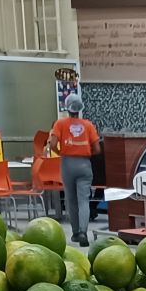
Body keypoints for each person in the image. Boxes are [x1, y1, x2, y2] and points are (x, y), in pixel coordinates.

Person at [49, 96, 102, 242]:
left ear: (67, 107)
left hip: (67, 163)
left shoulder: (60, 124)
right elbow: (97, 148)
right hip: (85, 164)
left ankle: (75, 233)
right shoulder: (88, 125)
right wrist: (86, 153)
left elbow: (52, 144)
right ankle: (84, 232)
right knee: (84, 200)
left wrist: (61, 152)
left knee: (71, 200)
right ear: (80, 109)